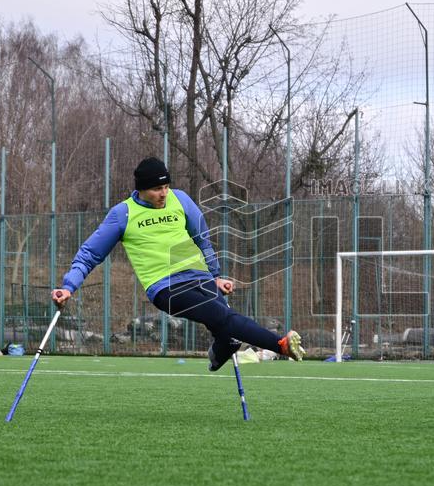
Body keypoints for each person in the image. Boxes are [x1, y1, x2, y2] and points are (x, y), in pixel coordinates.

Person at [50, 156, 304, 370]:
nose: (163, 193)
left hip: (199, 276)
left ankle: (218, 356)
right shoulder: (123, 214)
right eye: (157, 189)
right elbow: (90, 254)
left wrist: (216, 275)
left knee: (226, 328)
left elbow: (203, 239)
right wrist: (69, 286)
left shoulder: (180, 199)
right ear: (141, 189)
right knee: (222, 317)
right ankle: (280, 345)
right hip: (165, 287)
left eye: (166, 187)